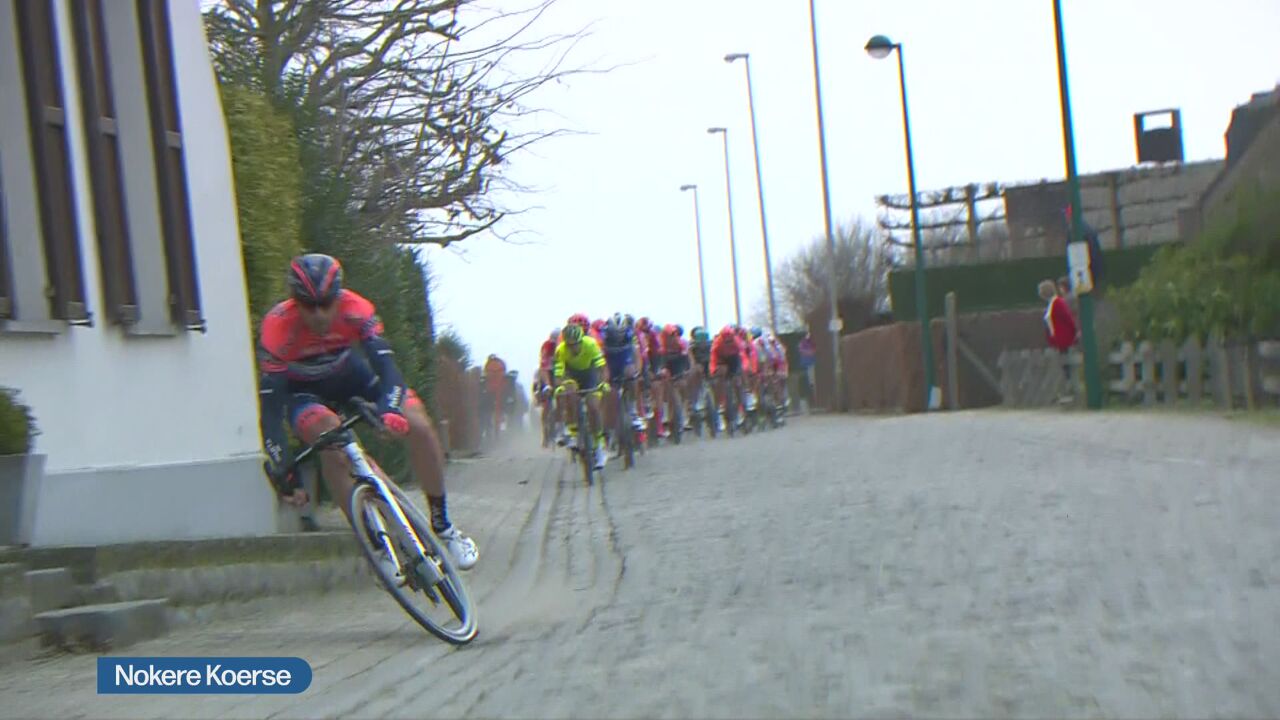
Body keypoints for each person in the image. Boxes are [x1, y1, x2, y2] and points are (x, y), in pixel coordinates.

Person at [258, 254, 478, 583]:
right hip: (304, 396)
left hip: (354, 381)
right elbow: (272, 413)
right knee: (331, 442)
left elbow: (389, 371)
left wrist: (389, 410)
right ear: (295, 301)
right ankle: (377, 546)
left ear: (339, 296)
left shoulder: (356, 308)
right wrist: (284, 473)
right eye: (308, 305)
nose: (318, 314)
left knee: (419, 425)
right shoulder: (277, 328)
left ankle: (443, 525)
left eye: (326, 304)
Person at [553, 321, 609, 470]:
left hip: (590, 375)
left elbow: (602, 367)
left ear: (581, 340)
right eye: (570, 345)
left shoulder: (591, 344)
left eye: (576, 344)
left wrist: (603, 383)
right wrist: (561, 386)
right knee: (570, 395)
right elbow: (558, 374)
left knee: (594, 407)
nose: (573, 348)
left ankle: (599, 446)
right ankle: (572, 431)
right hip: (573, 376)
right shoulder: (561, 350)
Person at [1040, 279, 1078, 383]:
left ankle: (1071, 383)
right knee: (1064, 364)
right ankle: (1069, 383)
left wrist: (1074, 333)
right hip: (1059, 341)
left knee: (1067, 364)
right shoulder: (1052, 303)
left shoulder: (1058, 303)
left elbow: (1068, 319)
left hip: (1064, 339)